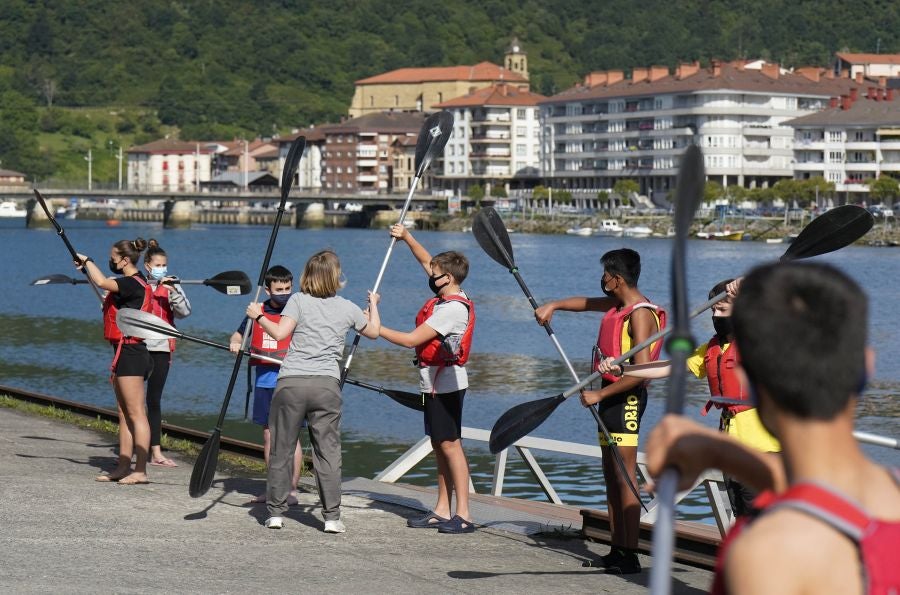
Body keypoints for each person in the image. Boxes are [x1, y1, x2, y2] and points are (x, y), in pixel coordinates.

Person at [646, 262, 900, 595]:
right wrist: (721, 452)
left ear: (745, 378)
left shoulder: (761, 553)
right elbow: (808, 493)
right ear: (867, 363)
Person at [597, 279, 780, 517]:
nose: (716, 316)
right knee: (742, 518)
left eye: (722, 310)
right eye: (713, 310)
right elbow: (667, 367)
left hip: (763, 451)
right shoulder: (712, 349)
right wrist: (623, 369)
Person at [534, 248, 665, 573]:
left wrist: (600, 394)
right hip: (609, 399)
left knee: (625, 477)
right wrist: (553, 305)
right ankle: (616, 547)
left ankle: (630, 552)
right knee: (610, 475)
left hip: (627, 399)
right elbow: (585, 304)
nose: (601, 279)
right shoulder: (619, 304)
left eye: (605, 274)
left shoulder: (639, 313)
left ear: (616, 279)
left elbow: (642, 370)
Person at [246, 250, 380, 532]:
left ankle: (275, 513)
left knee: (281, 447)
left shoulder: (297, 300)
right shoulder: (347, 307)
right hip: (326, 385)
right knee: (327, 452)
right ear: (336, 277)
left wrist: (258, 316)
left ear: (307, 276)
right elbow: (374, 332)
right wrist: (373, 306)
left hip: (291, 381)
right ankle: (332, 517)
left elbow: (280, 334)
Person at [378, 224, 476, 534]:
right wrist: (406, 237)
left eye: (435, 272)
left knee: (450, 445)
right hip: (432, 384)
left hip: (446, 386)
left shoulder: (451, 310)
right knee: (439, 444)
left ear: (448, 278)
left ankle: (464, 514)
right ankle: (442, 509)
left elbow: (411, 340)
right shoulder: (450, 293)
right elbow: (426, 260)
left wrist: (374, 327)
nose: (429, 275)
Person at [75, 238, 154, 485]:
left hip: (132, 354)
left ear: (125, 260)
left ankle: (140, 470)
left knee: (137, 414)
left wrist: (88, 261)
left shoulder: (132, 283)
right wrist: (87, 269)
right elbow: (104, 289)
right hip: (123, 352)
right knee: (123, 413)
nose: (111, 260)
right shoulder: (128, 284)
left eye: (113, 256)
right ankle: (123, 465)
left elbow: (101, 281)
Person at [229, 265, 303, 505]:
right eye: (279, 289)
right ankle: (274, 487)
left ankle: (291, 489)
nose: (284, 293)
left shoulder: (298, 309)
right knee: (269, 436)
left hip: (291, 381)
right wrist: (235, 342)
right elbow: (239, 335)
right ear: (269, 290)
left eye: (288, 288)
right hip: (264, 381)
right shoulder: (257, 311)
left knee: (291, 436)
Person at [143, 239, 192, 468]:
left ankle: (156, 452)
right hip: (138, 347)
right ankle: (133, 447)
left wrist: (172, 292)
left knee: (153, 400)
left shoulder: (173, 284)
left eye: (165, 264)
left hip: (161, 348)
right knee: (131, 401)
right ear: (147, 266)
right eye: (158, 265)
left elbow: (184, 312)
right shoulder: (138, 283)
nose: (162, 268)